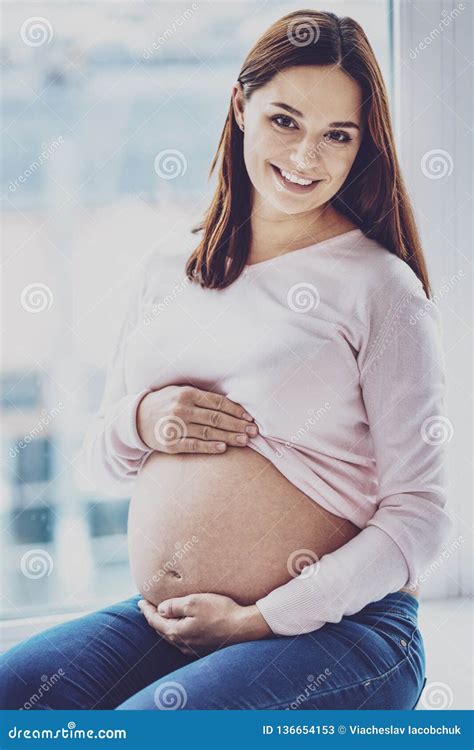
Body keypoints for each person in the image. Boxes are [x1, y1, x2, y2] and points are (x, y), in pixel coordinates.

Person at [0, 9, 452, 711]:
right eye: (285, 121)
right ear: (240, 106)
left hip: (343, 634)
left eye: (338, 135)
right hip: (174, 626)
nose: (306, 157)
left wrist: (257, 620)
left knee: (148, 728)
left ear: (364, 145)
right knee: (11, 696)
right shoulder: (166, 268)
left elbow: (421, 519)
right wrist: (142, 421)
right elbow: (98, 463)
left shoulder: (379, 288)